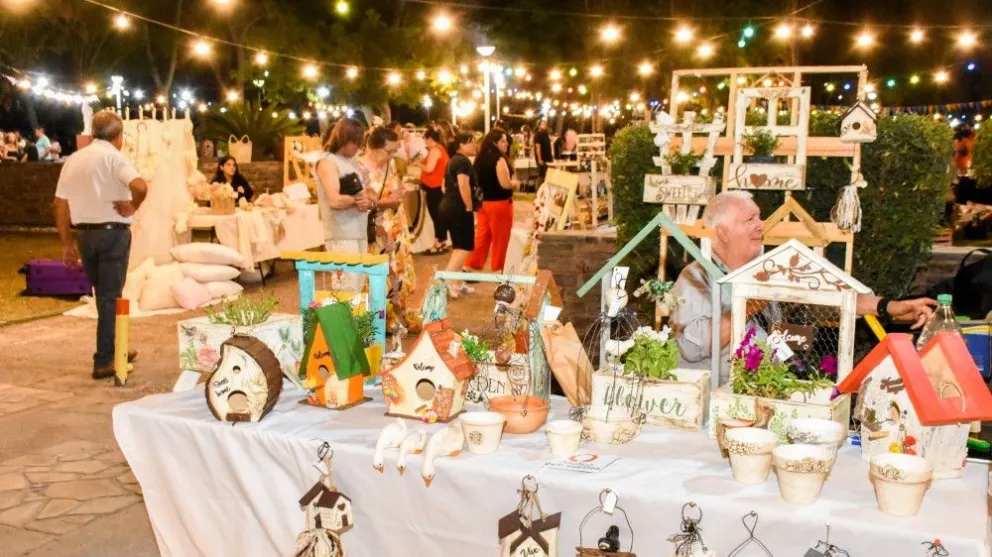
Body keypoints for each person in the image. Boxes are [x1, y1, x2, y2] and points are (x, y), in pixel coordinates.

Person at [670, 191, 938, 384]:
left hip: (767, 388)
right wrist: (750, 303)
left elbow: (830, 297)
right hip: (714, 399)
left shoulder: (769, 269)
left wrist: (890, 307)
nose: (761, 226)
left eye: (759, 218)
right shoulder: (697, 277)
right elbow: (691, 348)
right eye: (750, 219)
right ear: (723, 232)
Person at [53, 111, 148, 380]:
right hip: (112, 235)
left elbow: (59, 204)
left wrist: (66, 244)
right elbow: (141, 186)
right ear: (119, 135)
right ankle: (104, 359)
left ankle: (116, 347)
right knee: (110, 297)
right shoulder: (114, 157)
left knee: (104, 295)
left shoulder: (74, 159)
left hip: (85, 236)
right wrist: (134, 205)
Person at [357, 127, 421, 333]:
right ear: (375, 147)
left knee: (397, 272)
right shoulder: (359, 167)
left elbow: (396, 189)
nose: (392, 155)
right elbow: (360, 201)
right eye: (389, 151)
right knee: (379, 273)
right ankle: (380, 319)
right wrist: (386, 202)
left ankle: (399, 314)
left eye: (395, 151)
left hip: (395, 227)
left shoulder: (389, 164)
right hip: (375, 230)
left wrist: (397, 195)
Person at [314, 117, 372, 291]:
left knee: (357, 285)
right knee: (345, 286)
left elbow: (364, 192)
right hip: (341, 235)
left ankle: (353, 311)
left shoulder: (352, 162)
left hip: (359, 232)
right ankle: (341, 311)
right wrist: (357, 201)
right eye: (355, 143)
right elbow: (334, 200)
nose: (358, 148)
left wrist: (368, 199)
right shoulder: (327, 162)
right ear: (344, 139)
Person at [465, 129, 518, 273]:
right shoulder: (499, 159)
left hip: (483, 203)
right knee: (501, 238)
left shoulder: (480, 158)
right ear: (494, 142)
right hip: (500, 203)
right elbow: (505, 183)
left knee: (482, 236)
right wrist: (515, 184)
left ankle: (470, 265)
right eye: (503, 141)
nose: (506, 144)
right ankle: (499, 268)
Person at [440, 131, 479, 298]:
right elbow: (464, 185)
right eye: (471, 142)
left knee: (459, 246)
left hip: (449, 206)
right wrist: (469, 206)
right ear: (461, 145)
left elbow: (443, 186)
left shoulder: (452, 160)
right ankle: (446, 282)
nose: (474, 145)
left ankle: (456, 282)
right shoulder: (463, 161)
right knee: (464, 247)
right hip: (459, 207)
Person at [420, 128, 450, 254]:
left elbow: (429, 168)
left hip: (434, 187)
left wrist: (418, 163)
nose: (425, 142)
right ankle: (442, 242)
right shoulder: (441, 149)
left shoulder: (434, 150)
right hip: (437, 187)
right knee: (439, 216)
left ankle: (438, 244)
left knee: (436, 216)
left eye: (426, 139)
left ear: (430, 139)